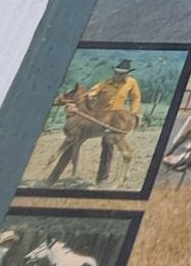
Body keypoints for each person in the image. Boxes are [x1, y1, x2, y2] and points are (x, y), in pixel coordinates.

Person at [43, 58, 140, 186]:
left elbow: (135, 97)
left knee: (108, 146)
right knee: (72, 143)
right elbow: (90, 93)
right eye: (116, 72)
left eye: (121, 73)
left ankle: (102, 181)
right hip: (96, 117)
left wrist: (134, 112)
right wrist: (84, 98)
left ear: (127, 74)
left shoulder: (131, 83)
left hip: (113, 120)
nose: (118, 75)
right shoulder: (104, 83)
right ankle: (52, 179)